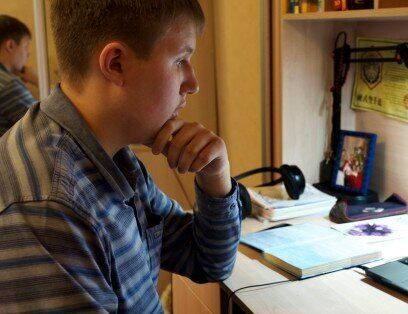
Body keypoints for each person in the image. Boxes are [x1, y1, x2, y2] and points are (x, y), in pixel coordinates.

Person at [0, 1, 241, 312]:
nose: (193, 83)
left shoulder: (112, 157)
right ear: (115, 63)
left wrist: (216, 177)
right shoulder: (50, 206)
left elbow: (208, 261)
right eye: (180, 59)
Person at [0, 14, 38, 136]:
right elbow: (44, 127)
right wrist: (39, 80)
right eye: (25, 46)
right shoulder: (8, 84)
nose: (27, 54)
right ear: (10, 45)